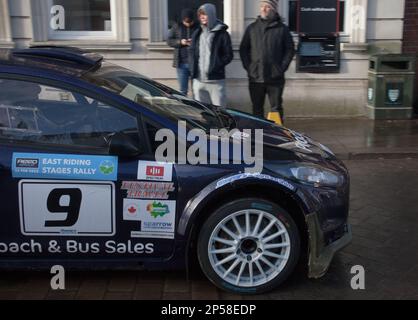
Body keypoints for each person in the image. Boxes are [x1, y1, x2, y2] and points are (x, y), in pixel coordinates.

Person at [239, 0, 295, 120]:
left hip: (275, 78)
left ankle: (278, 136)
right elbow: (243, 49)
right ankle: (258, 136)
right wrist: (250, 68)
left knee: (276, 108)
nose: (263, 9)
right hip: (256, 77)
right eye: (262, 6)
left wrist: (280, 68)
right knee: (257, 109)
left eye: (267, 7)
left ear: (274, 9)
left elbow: (290, 50)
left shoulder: (282, 29)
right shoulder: (252, 28)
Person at [189, 3, 233, 107]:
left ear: (211, 14)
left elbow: (228, 55)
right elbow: (192, 53)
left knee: (220, 112)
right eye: (200, 15)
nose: (202, 17)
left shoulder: (222, 34)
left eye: (205, 14)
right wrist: (192, 70)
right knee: (202, 113)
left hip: (215, 80)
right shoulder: (197, 33)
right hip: (198, 81)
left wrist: (216, 65)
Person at [167, 9, 199, 96]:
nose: (188, 24)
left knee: (197, 90)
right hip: (181, 64)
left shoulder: (198, 27)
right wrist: (180, 42)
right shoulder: (177, 26)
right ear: (182, 20)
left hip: (195, 63)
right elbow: (169, 41)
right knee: (182, 91)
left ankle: (197, 108)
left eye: (190, 22)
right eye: (186, 22)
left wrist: (195, 43)